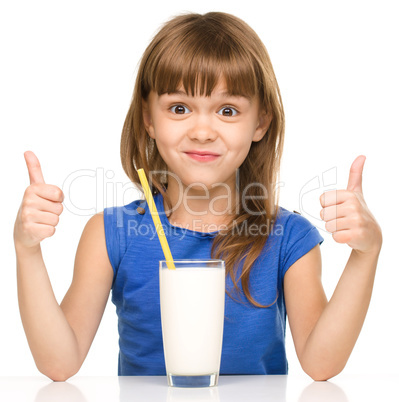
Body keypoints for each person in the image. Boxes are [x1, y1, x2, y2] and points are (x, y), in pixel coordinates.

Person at [13, 12, 382, 382]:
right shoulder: (113, 234)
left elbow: (321, 364)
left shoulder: (289, 238)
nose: (202, 131)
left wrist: (365, 254)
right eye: (179, 108)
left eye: (227, 110)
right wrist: (27, 250)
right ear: (148, 119)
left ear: (261, 122)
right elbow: (59, 363)